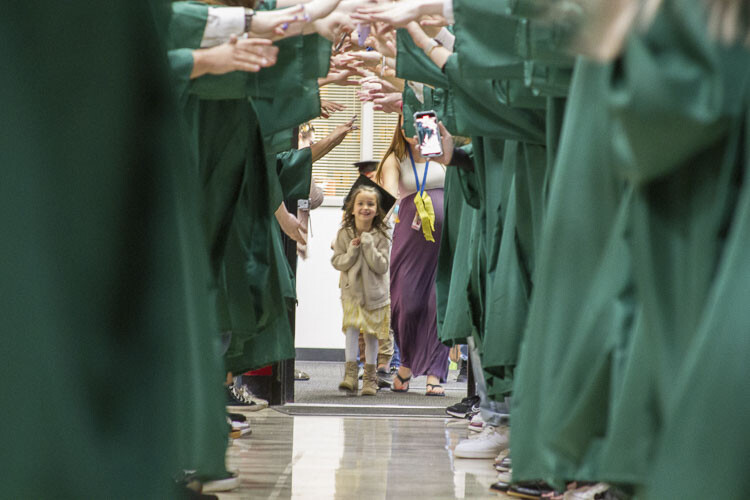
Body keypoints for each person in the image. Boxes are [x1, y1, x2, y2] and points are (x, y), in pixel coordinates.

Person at [376, 116, 450, 396]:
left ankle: (435, 373)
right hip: (410, 239)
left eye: (419, 118)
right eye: (405, 119)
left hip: (445, 240)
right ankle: (406, 364)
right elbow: (387, 195)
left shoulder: (440, 153)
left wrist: (434, 141)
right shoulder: (395, 159)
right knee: (407, 304)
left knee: (437, 304)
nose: (412, 126)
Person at [332, 184, 392, 396]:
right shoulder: (344, 234)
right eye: (360, 203)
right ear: (352, 208)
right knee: (351, 330)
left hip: (376, 295)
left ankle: (370, 377)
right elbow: (338, 262)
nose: (365, 207)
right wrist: (351, 251)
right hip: (352, 293)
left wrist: (368, 245)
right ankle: (350, 374)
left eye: (370, 204)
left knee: (372, 335)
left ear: (377, 209)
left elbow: (382, 266)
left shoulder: (382, 235)